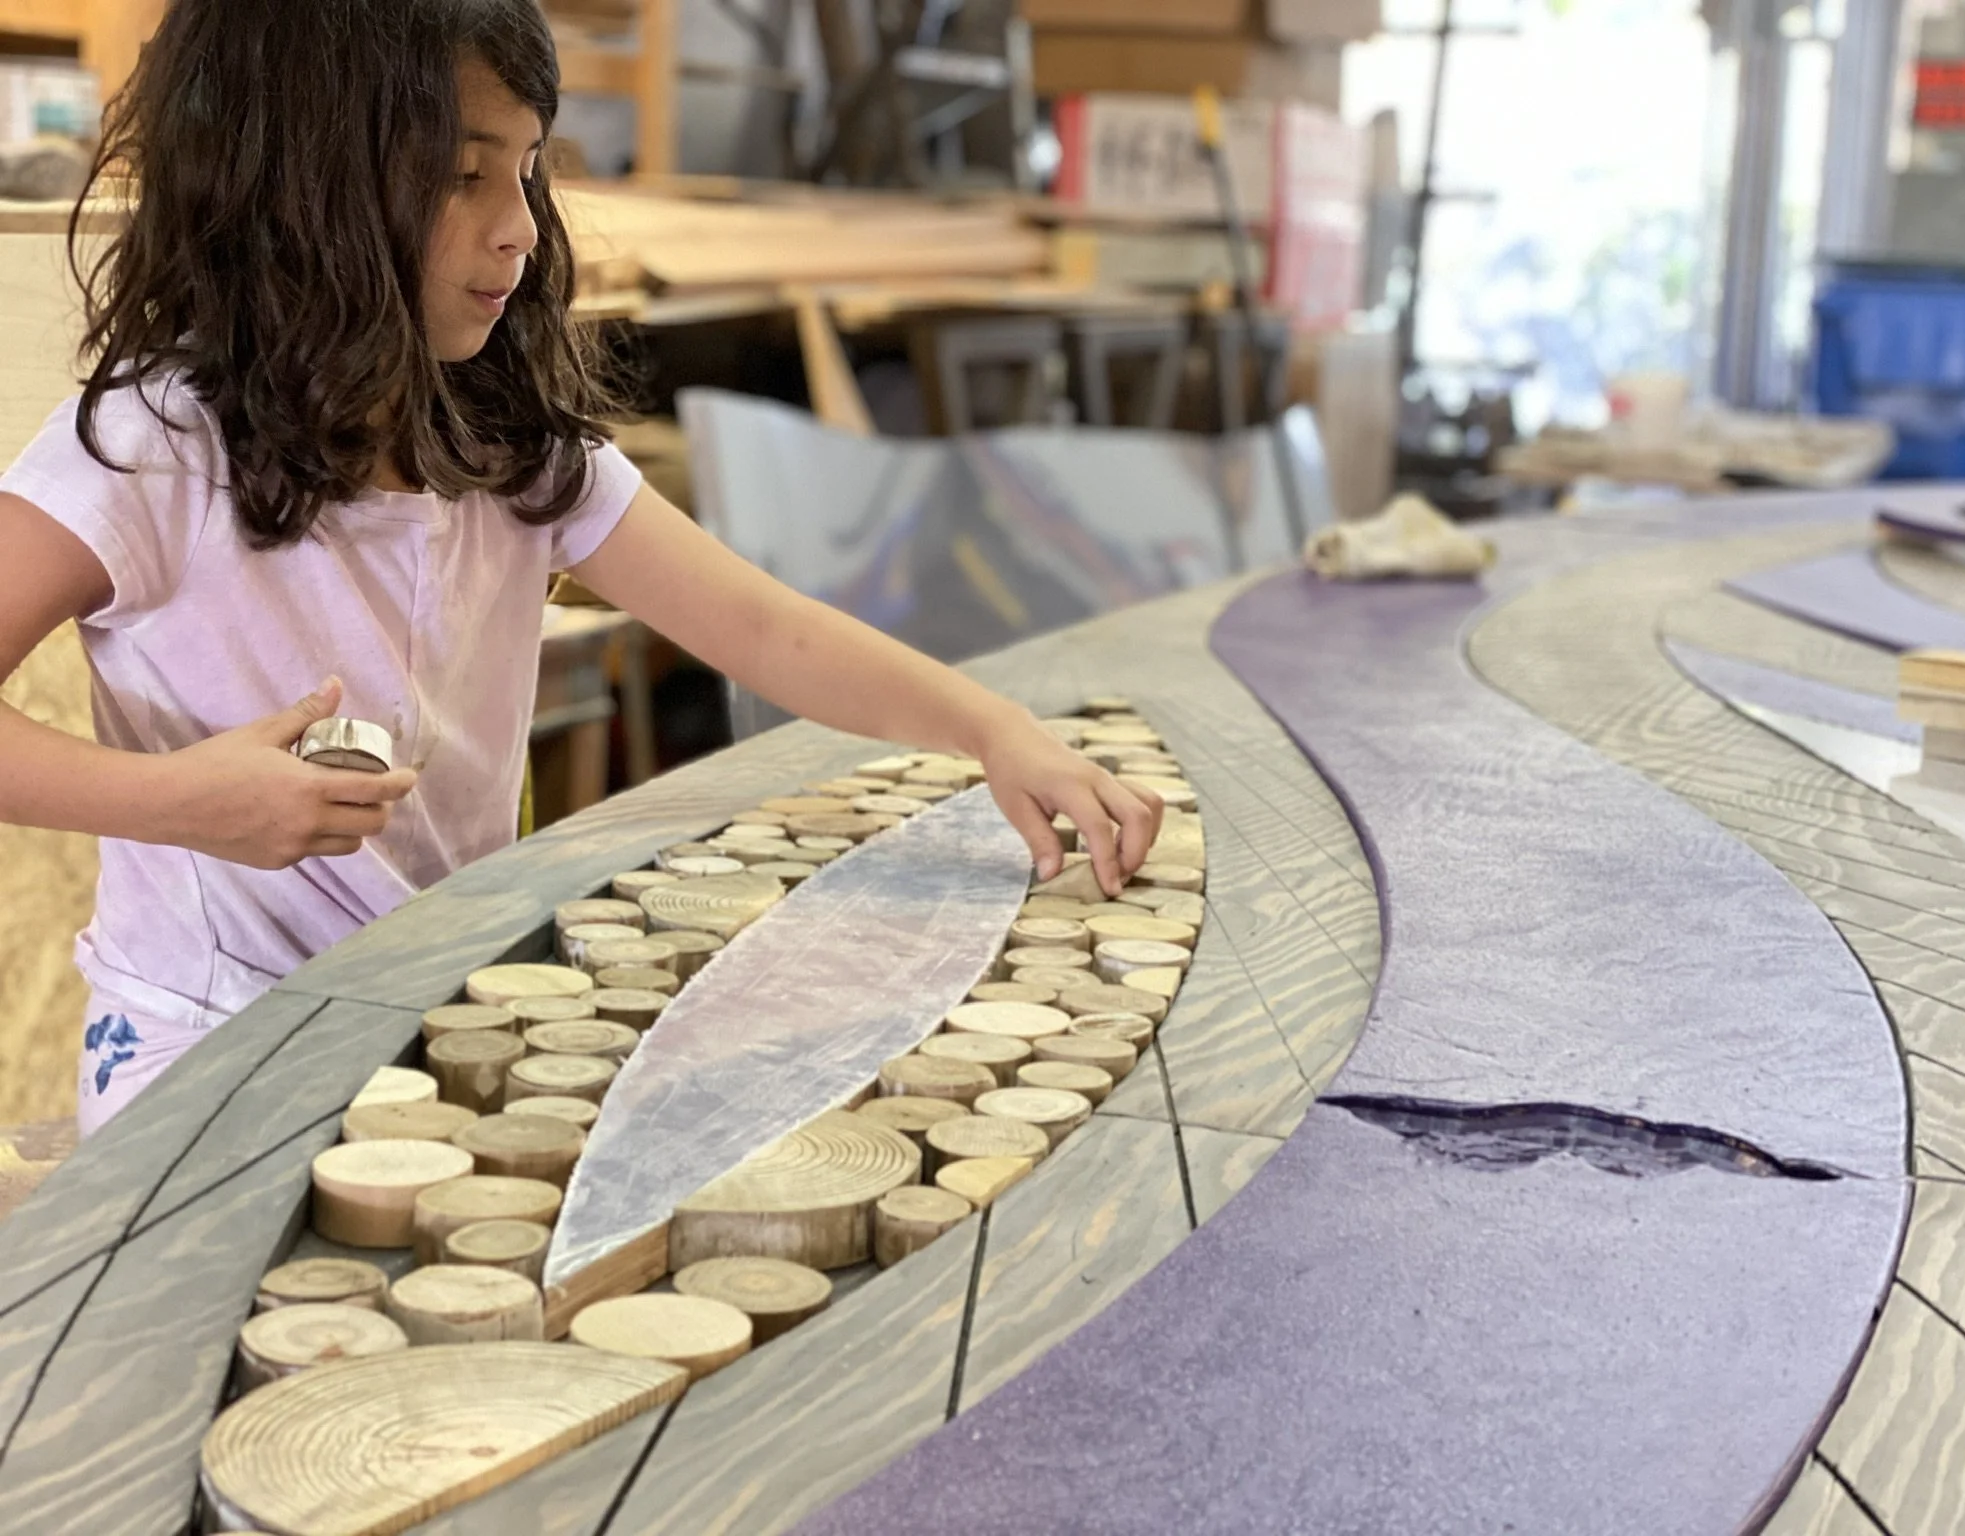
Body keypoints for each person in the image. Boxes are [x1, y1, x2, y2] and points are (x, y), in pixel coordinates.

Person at [0, 0, 1161, 1135]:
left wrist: (993, 730)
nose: (516, 226)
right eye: (464, 174)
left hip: (432, 1014)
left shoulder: (504, 445)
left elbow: (764, 631)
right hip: (207, 1041)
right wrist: (179, 806)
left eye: (530, 168)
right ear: (301, 187)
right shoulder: (153, 450)